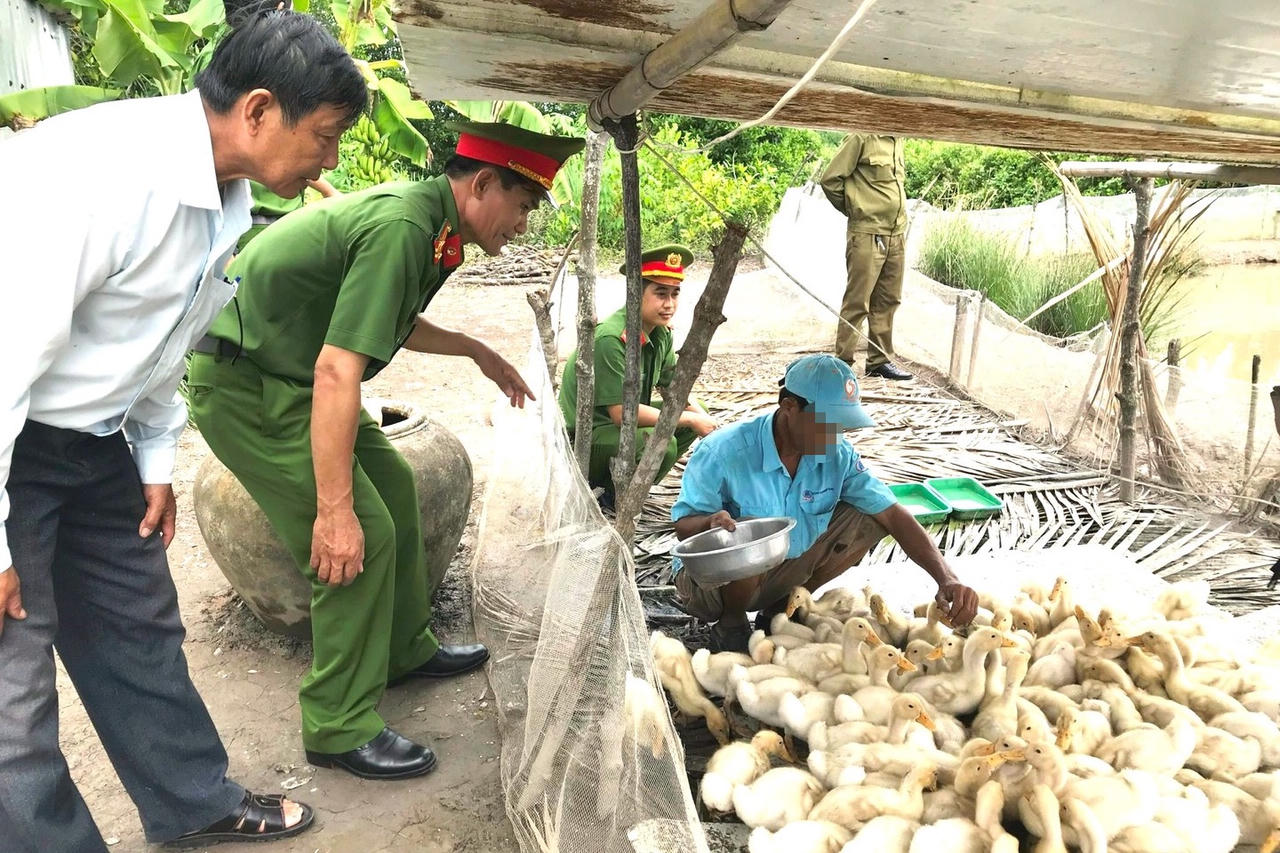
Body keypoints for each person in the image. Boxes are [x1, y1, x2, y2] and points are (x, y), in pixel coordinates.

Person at [0, 11, 366, 851]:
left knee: (138, 626)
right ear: (260, 110)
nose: (332, 159)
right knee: (11, 694)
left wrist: (154, 456)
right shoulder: (105, 175)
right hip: (9, 438)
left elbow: (166, 334)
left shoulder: (224, 194)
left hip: (87, 441)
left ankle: (192, 799)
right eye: (326, 136)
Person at [185, 120, 585, 781]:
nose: (523, 224)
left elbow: (387, 316)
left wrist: (475, 348)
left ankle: (402, 647)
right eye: (523, 207)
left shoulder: (432, 226)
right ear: (484, 183)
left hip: (291, 370)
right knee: (355, 532)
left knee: (394, 490)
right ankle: (338, 722)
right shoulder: (406, 226)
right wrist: (334, 511)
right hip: (249, 383)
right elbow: (340, 369)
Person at [671, 354, 979, 652]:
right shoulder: (723, 452)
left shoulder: (837, 454)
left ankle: (781, 610)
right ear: (789, 407)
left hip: (781, 572)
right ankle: (731, 623)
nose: (835, 436)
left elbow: (893, 515)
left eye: (842, 426)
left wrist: (947, 579)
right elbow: (684, 529)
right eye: (827, 424)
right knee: (753, 537)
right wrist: (711, 524)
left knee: (869, 517)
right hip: (711, 585)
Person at [558, 245, 718, 504]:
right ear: (635, 293)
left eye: (675, 294)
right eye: (660, 294)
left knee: (698, 412)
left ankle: (630, 486)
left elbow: (673, 390)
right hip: (587, 435)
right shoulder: (611, 339)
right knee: (663, 444)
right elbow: (621, 414)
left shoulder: (661, 332)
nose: (669, 304)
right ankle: (611, 494)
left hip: (617, 424)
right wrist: (688, 419)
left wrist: (704, 420)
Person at [819, 133, 914, 381]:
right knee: (858, 301)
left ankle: (879, 361)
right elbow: (830, 180)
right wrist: (857, 209)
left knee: (888, 299)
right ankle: (842, 365)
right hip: (867, 232)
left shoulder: (899, 139)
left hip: (896, 232)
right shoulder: (861, 136)